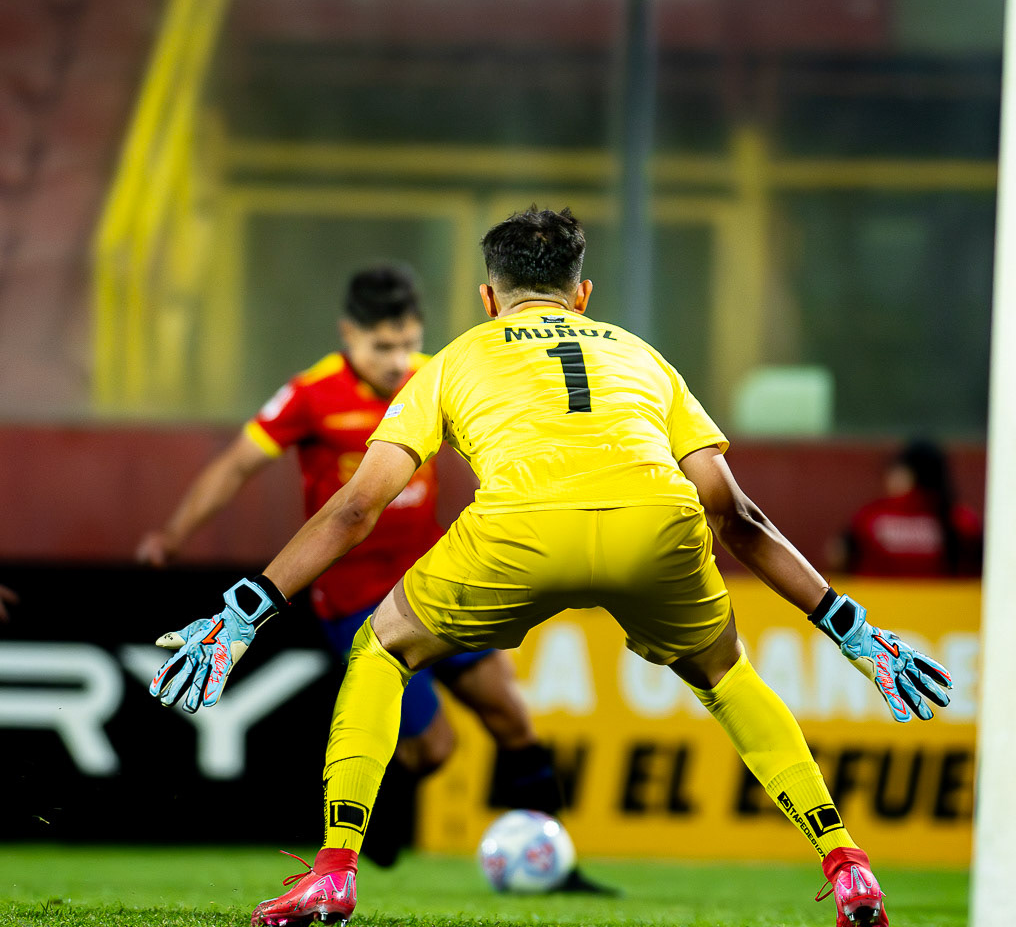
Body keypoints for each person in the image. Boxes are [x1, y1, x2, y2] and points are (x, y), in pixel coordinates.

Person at [149, 208, 952, 927]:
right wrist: (850, 628)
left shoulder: (452, 360)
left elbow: (357, 507)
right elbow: (738, 516)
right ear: (583, 293)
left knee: (381, 650)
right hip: (658, 527)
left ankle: (334, 871)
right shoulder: (645, 357)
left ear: (487, 297)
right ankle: (846, 863)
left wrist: (245, 611)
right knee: (727, 676)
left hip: (517, 534)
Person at [137, 264, 601, 884]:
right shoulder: (311, 394)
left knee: (512, 716)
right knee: (435, 749)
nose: (397, 360)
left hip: (437, 578)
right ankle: (370, 820)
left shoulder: (436, 374)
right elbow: (236, 466)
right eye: (382, 346)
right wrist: (173, 536)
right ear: (348, 334)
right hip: (355, 596)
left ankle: (557, 870)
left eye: (408, 343)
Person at [833, 440, 982, 578]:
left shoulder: (872, 516)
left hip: (875, 597)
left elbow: (837, 555)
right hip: (946, 598)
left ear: (907, 474)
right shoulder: (961, 520)